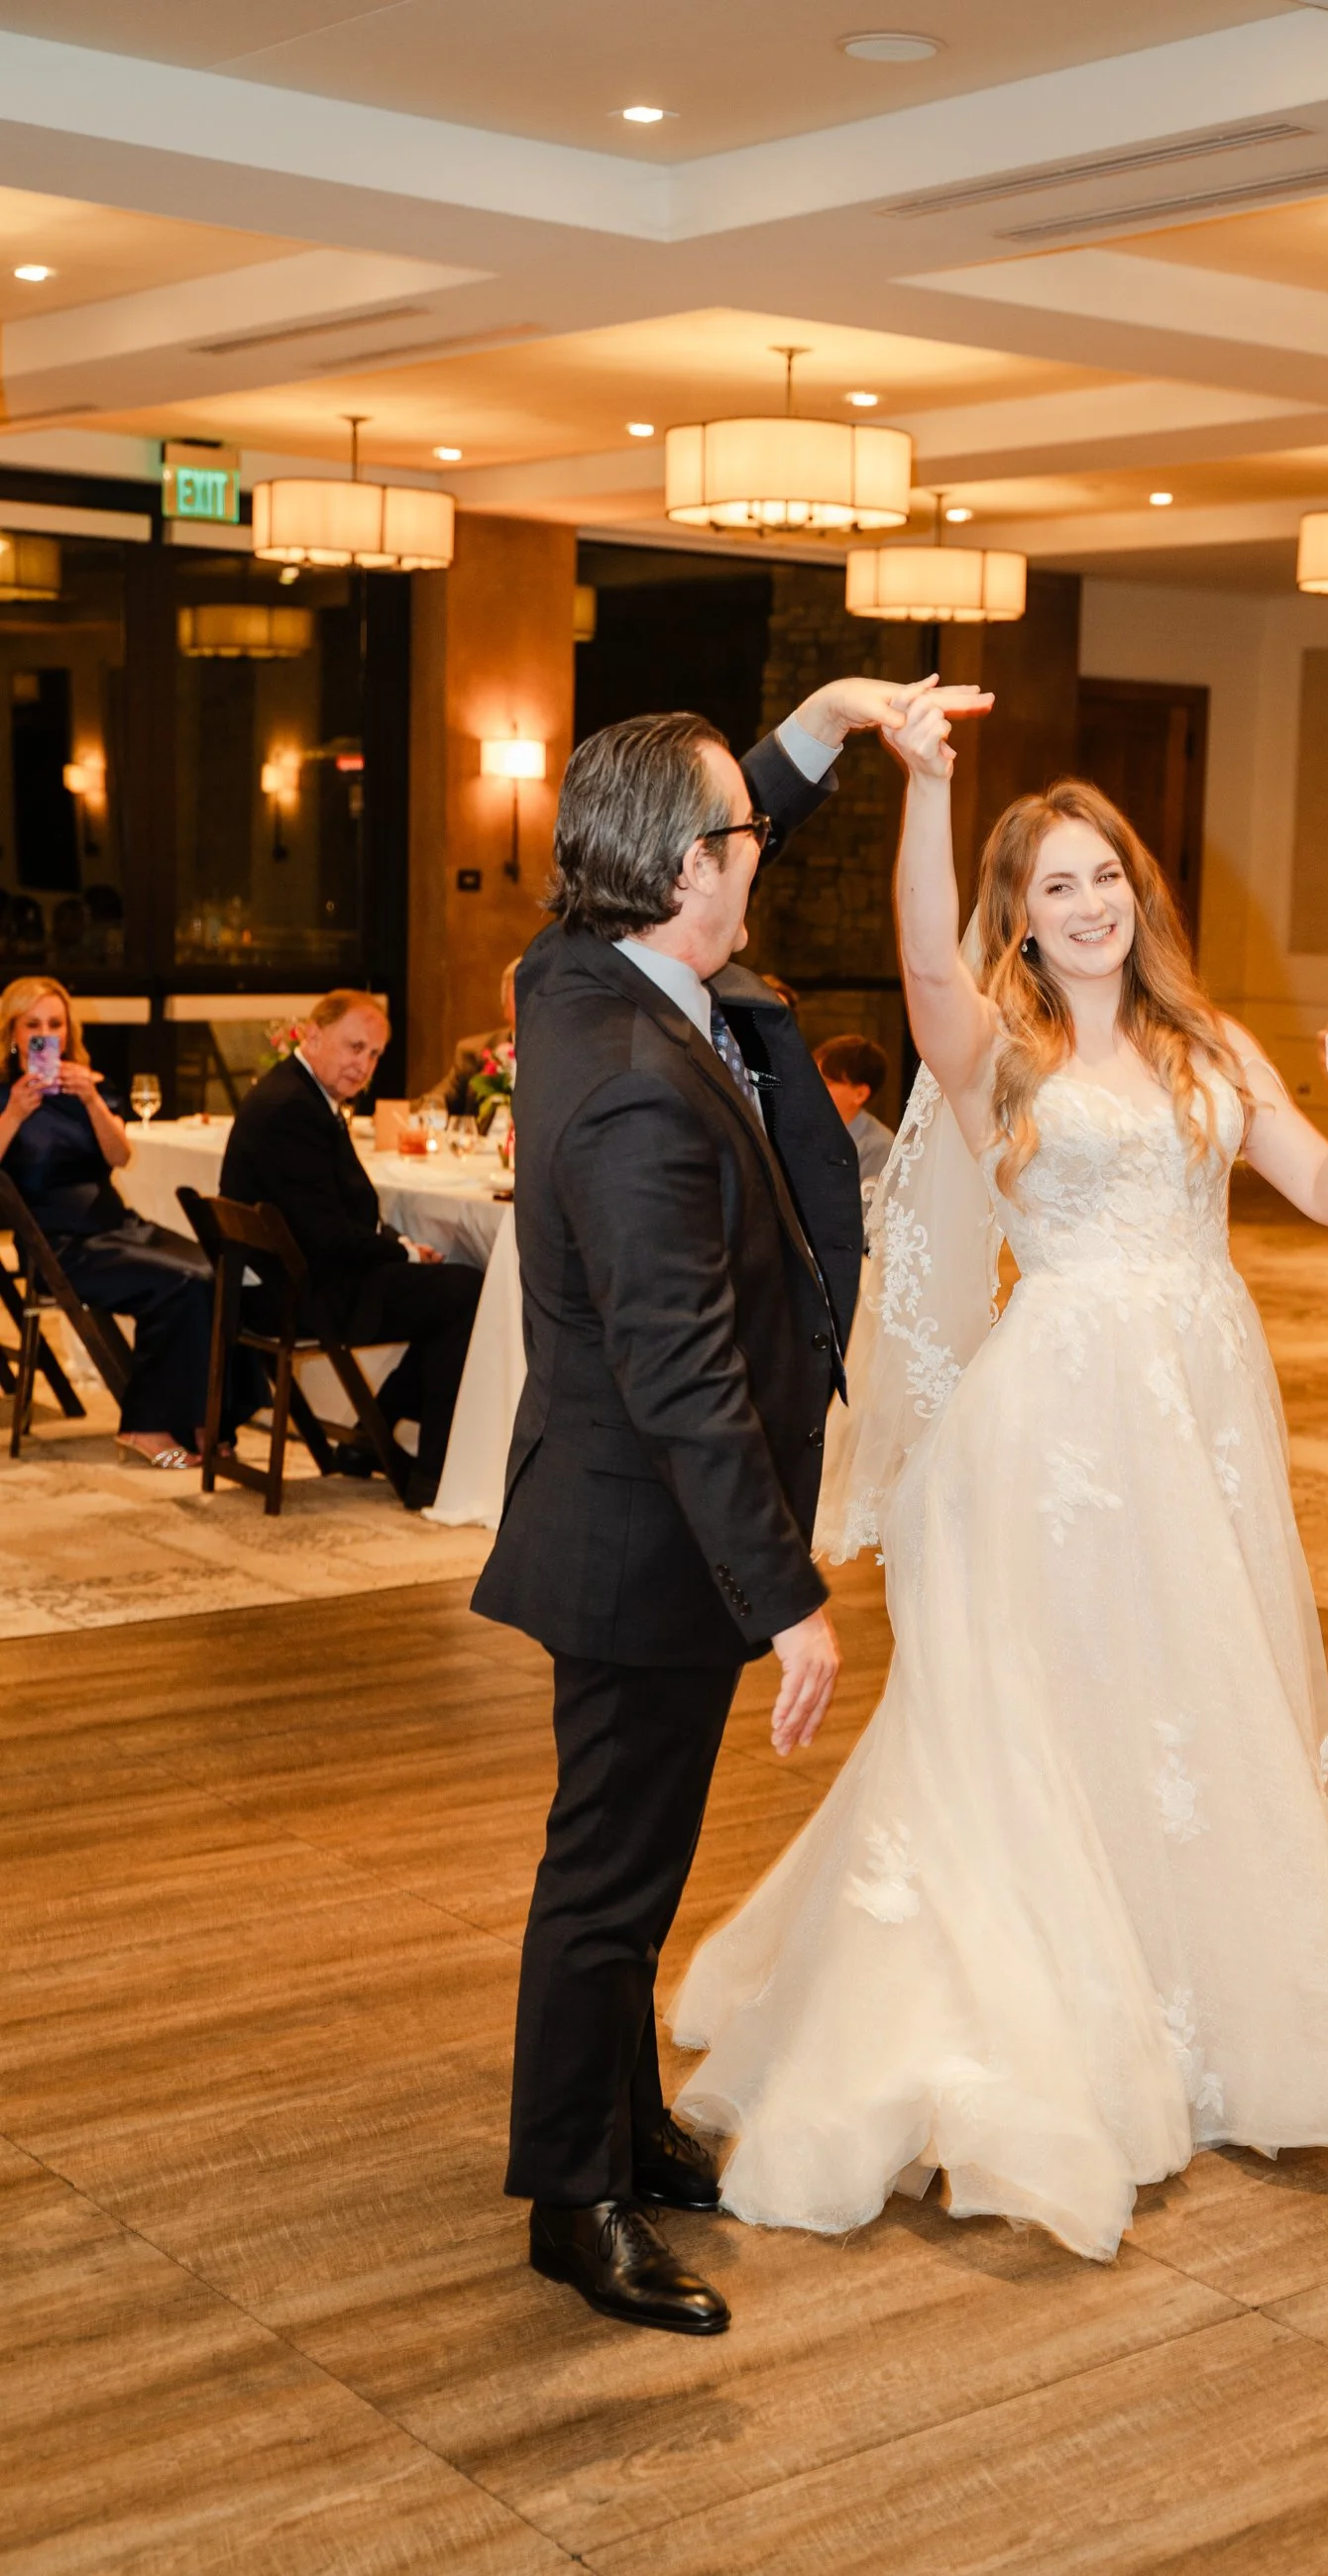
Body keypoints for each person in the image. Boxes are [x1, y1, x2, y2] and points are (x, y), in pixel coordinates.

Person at [671, 700, 1328, 2265]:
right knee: (1040, 1712)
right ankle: (1049, 2021)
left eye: (1105, 877)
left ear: (1138, 889)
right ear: (1018, 913)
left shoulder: (1209, 1042)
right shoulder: (995, 1054)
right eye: (1055, 886)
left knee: (1187, 1697)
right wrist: (927, 792)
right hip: (1055, 1425)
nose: (1089, 905)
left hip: (1201, 1413)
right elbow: (922, 964)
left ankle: (1189, 2015)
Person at [472, 674, 993, 2339]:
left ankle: (625, 2130)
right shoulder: (633, 1074)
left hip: (628, 1521)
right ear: (690, 867)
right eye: (745, 835)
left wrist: (823, 725)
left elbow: (709, 810)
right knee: (608, 1881)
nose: (763, 850)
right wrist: (789, 1600)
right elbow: (681, 1373)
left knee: (627, 1863)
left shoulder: (572, 967)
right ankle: (572, 2204)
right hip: (648, 1541)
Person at [220, 990, 482, 1509]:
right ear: (313, 1036)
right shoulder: (293, 1108)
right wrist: (403, 1253)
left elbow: (327, 1219)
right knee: (465, 1292)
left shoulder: (296, 1093)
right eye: (355, 1047)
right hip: (298, 1294)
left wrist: (396, 1244)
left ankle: (369, 1439)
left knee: (452, 1289)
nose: (364, 1065)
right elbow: (325, 1235)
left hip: (288, 1280)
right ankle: (428, 1474)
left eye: (375, 1054)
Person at [0, 975, 217, 1466]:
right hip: (58, 1244)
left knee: (213, 1268)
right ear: (13, 1033)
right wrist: (13, 1113)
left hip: (116, 1225)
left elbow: (120, 1156)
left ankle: (206, 1418)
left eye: (55, 1024)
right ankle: (146, 1426)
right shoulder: (4, 1094)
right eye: (33, 1025)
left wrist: (92, 1100)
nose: (46, 1035)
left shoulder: (88, 1084)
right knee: (181, 1282)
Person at [433, 958, 519, 1120]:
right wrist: (432, 1108)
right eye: (520, 997)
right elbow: (438, 1099)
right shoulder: (474, 1054)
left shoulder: (565, 1056)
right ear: (505, 1008)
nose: (531, 1006)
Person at [814, 1033, 895, 1188]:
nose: (813, 1088)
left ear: (860, 1094)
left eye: (825, 1082)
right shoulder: (807, 1128)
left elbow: (867, 1204)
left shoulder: (878, 1146)